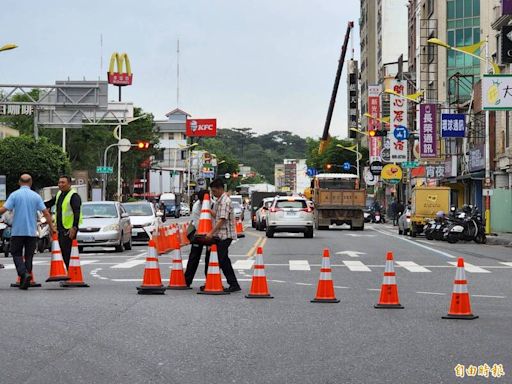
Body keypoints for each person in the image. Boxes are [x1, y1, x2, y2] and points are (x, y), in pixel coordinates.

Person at [0, 174, 55, 289]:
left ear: (19, 182)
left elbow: (3, 210)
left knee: (16, 254)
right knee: (29, 256)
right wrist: (51, 227)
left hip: (17, 231)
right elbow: (45, 213)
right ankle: (26, 279)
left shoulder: (14, 195)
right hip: (31, 231)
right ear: (30, 182)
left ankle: (23, 274)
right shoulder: (36, 196)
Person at [204, 178, 240, 293]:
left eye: (214, 191)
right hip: (221, 235)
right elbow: (217, 215)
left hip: (225, 235)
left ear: (220, 189)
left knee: (217, 259)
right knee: (224, 261)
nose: (213, 193)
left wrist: (211, 233)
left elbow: (222, 220)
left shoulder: (225, 201)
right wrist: (207, 210)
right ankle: (233, 284)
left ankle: (212, 282)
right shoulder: (219, 201)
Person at [45, 175, 82, 269]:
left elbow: (77, 213)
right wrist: (37, 203)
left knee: (68, 252)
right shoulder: (59, 194)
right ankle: (68, 272)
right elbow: (49, 203)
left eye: (63, 182)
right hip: (61, 228)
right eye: (59, 182)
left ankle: (71, 273)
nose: (60, 184)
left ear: (69, 184)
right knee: (63, 251)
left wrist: (74, 227)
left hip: (69, 229)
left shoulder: (74, 196)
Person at [184, 190, 208, 287]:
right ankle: (187, 281)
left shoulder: (214, 203)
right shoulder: (196, 207)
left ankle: (209, 280)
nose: (203, 203)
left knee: (210, 257)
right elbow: (198, 225)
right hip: (198, 233)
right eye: (201, 201)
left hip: (211, 232)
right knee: (194, 256)